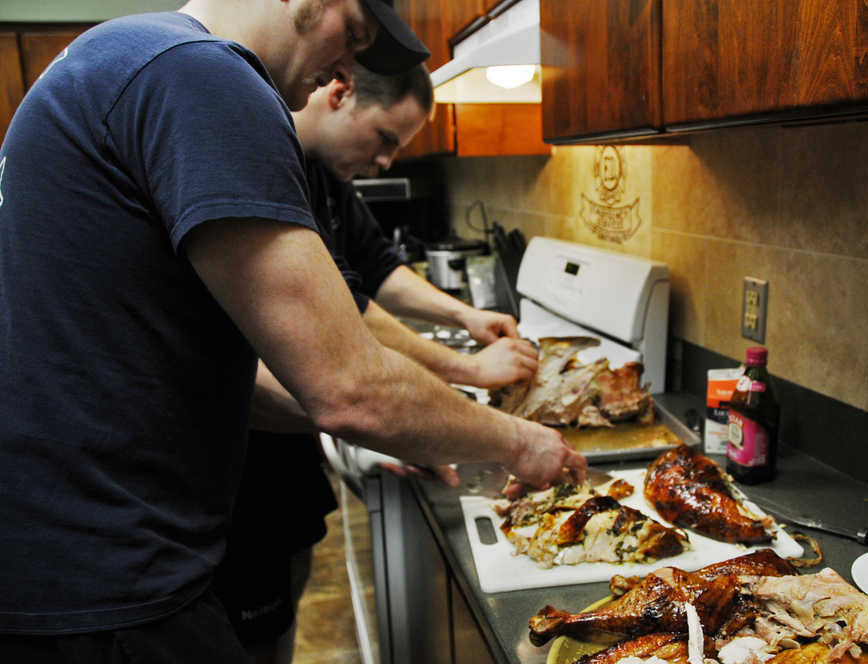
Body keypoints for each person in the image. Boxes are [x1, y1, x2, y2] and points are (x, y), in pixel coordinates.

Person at [0, 0, 586, 660]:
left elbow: (212, 380)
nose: (347, 69)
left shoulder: (123, 52)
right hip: (110, 582)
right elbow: (349, 386)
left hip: (62, 569)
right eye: (353, 37)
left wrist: (406, 421)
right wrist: (516, 441)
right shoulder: (200, 74)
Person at [215, 63, 540, 664]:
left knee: (282, 604)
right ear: (340, 94)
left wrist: (463, 316)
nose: (389, 160)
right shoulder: (261, 160)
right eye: (387, 139)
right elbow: (348, 312)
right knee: (253, 634)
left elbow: (379, 266)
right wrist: (468, 373)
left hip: (285, 462)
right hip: (234, 471)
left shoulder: (325, 173)